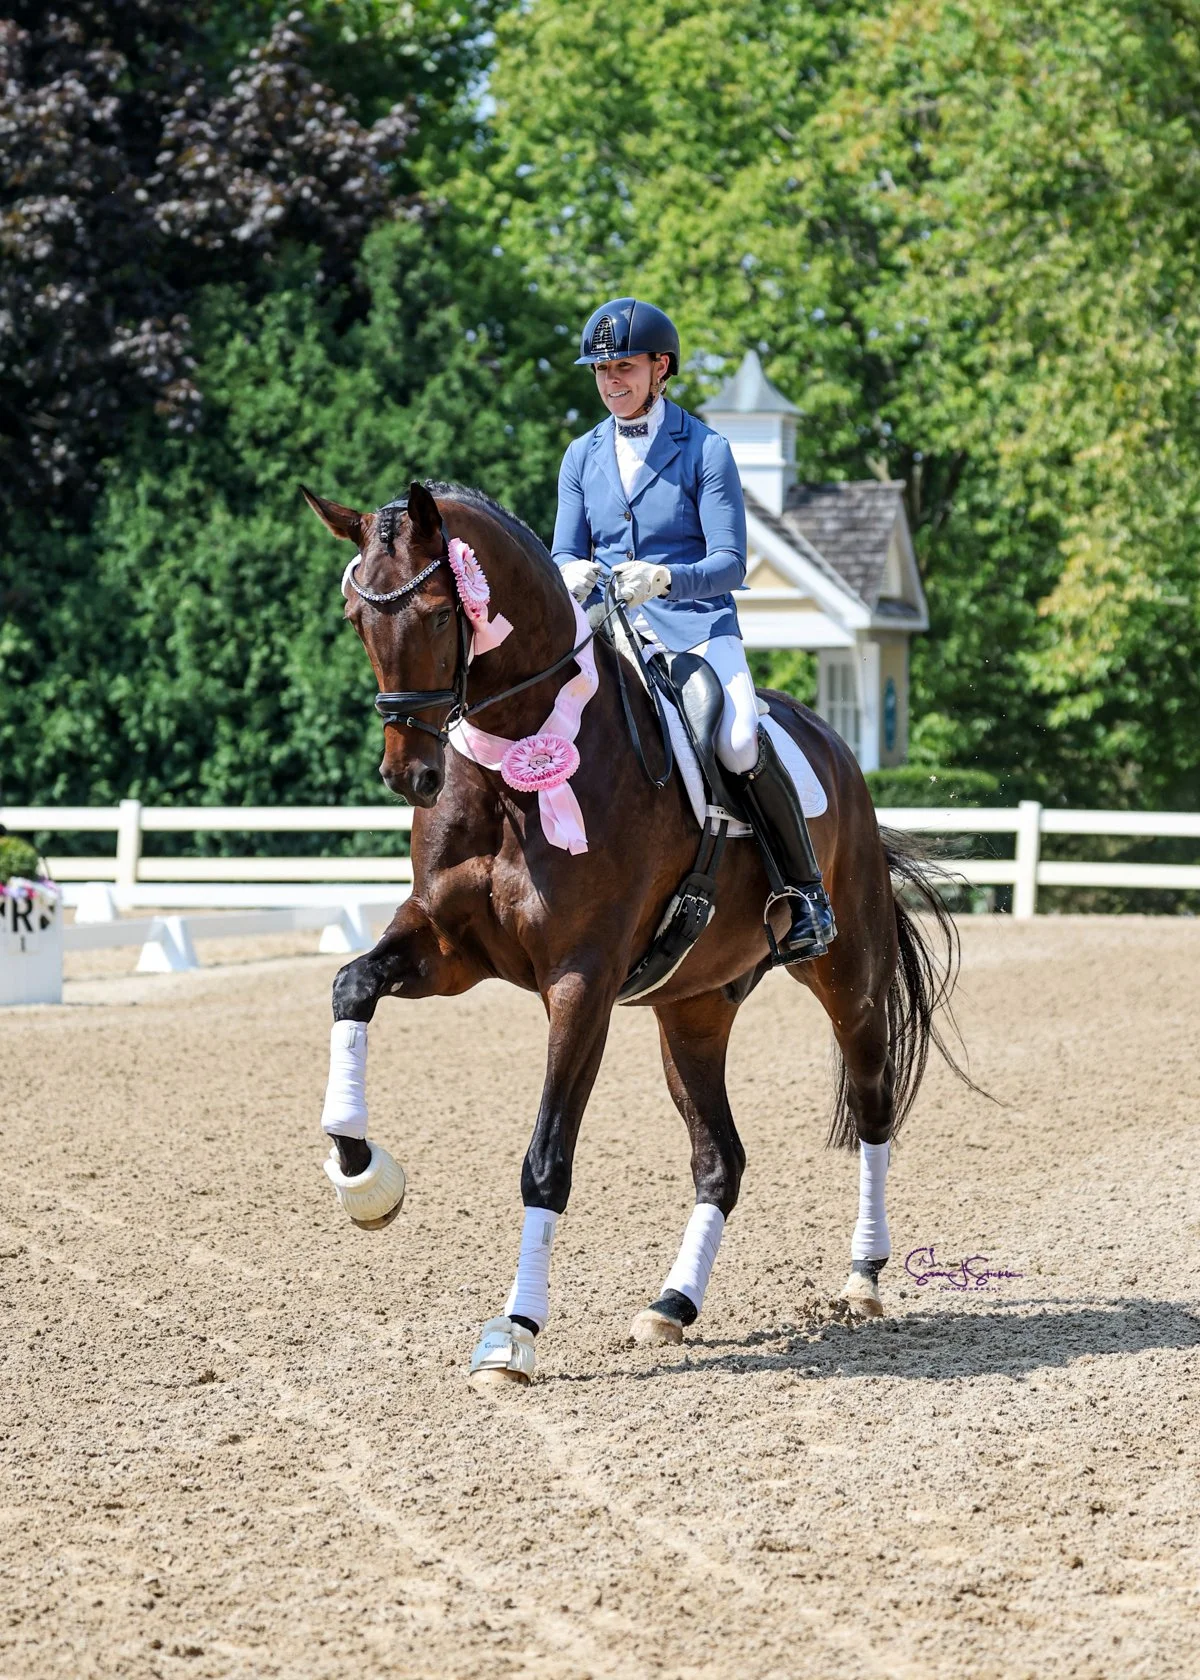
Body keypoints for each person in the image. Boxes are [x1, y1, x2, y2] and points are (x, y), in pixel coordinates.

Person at [551, 297, 836, 962]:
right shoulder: (579, 454)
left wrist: (667, 578)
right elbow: (565, 548)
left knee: (737, 740)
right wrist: (568, 572)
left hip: (696, 627)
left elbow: (731, 562)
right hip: (608, 629)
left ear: (660, 367)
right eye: (600, 370)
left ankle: (806, 892)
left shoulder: (706, 449)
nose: (610, 380)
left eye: (623, 366)